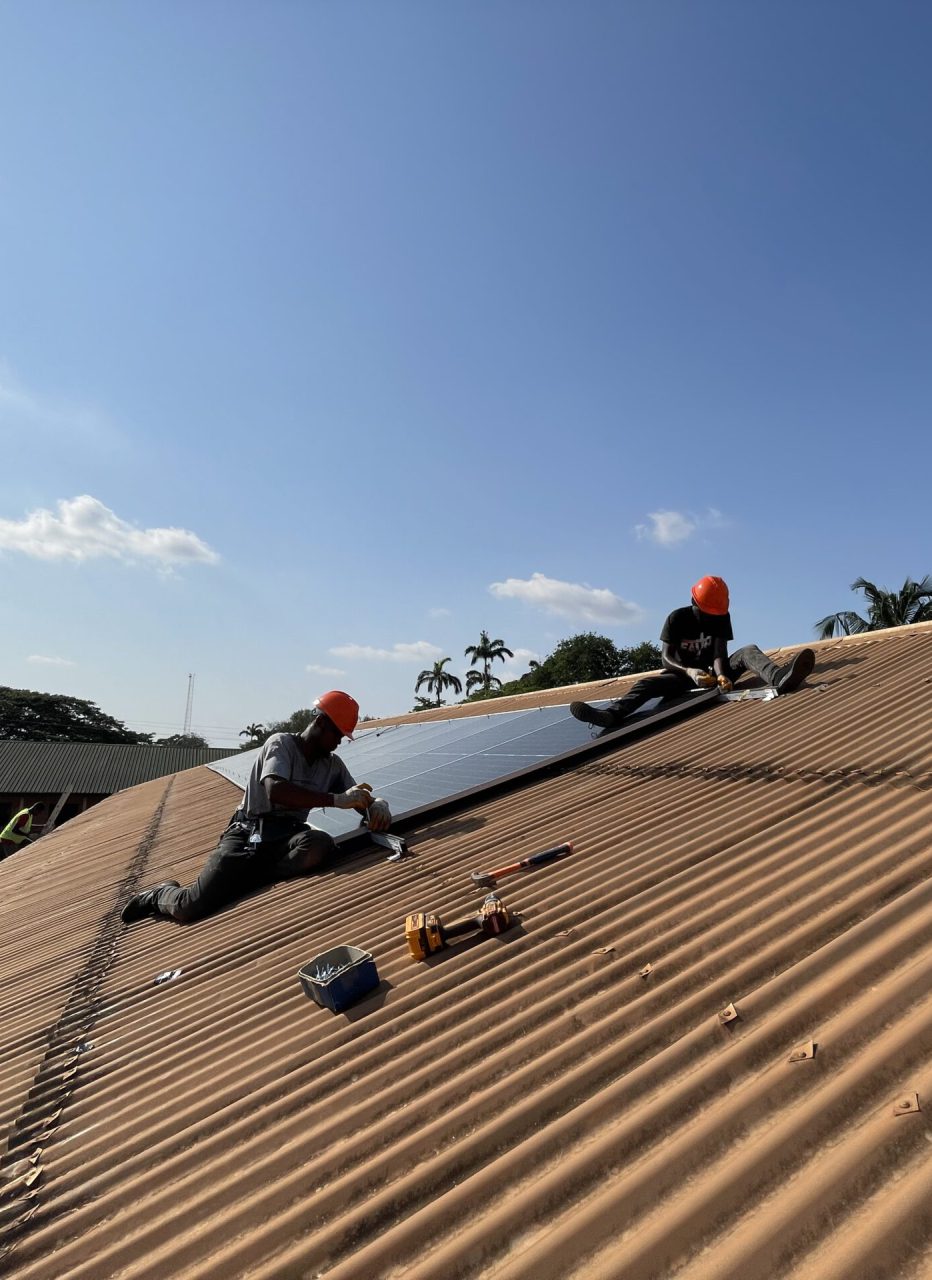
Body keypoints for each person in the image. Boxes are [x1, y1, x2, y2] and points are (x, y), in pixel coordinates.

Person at [121, 691, 391, 925]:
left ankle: (249, 874)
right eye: (338, 734)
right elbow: (277, 790)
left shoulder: (331, 765)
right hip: (249, 834)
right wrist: (335, 800)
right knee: (191, 907)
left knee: (319, 844)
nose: (339, 742)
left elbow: (358, 799)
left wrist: (377, 804)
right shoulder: (281, 744)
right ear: (321, 723)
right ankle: (159, 895)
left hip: (287, 837)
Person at [571, 575, 816, 730]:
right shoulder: (677, 618)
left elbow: (720, 651)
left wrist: (722, 675)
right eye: (707, 613)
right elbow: (666, 657)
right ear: (694, 602)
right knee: (646, 685)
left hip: (715, 674)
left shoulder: (721, 617)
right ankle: (610, 716)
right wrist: (689, 671)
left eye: (715, 614)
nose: (712, 618)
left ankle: (780, 678)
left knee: (748, 650)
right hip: (681, 676)